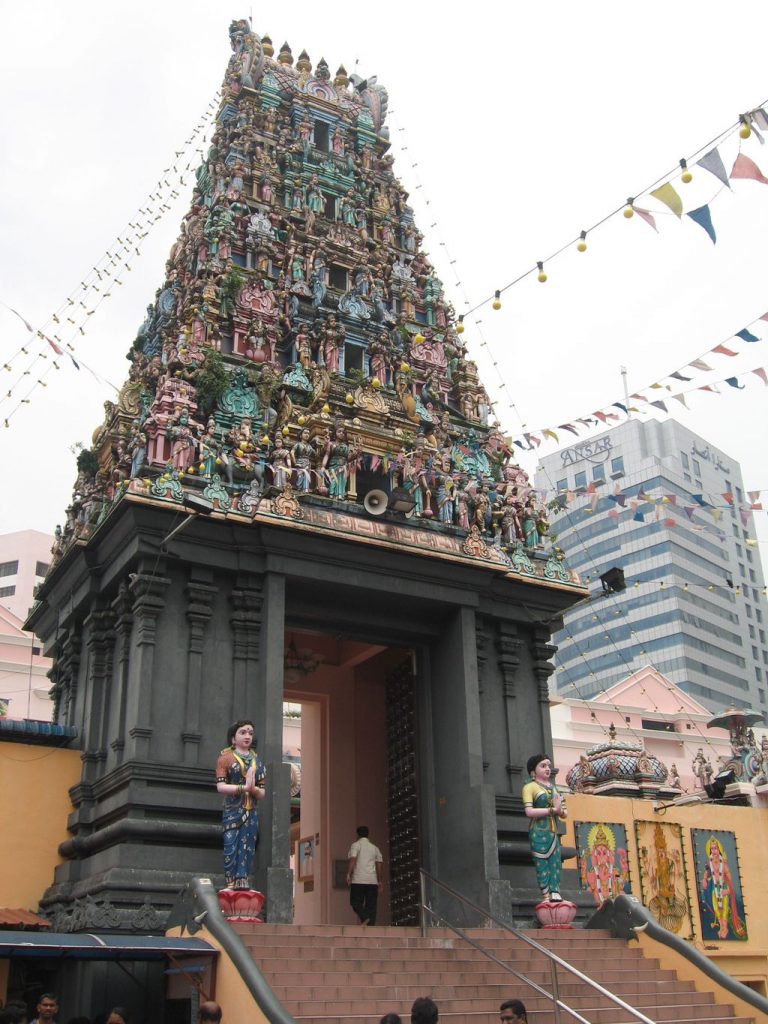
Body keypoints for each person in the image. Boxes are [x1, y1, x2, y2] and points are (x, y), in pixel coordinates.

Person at [216, 720, 266, 889]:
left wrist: (253, 790)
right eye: (243, 732)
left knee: (247, 848)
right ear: (233, 738)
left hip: (251, 812)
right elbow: (221, 786)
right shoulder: (225, 759)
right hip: (232, 811)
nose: (247, 736)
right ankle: (230, 881)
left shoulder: (257, 762)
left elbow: (263, 792)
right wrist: (243, 787)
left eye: (250, 733)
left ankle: (242, 878)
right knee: (231, 847)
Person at [522, 753, 567, 902]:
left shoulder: (554, 788)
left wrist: (559, 810)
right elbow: (529, 812)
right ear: (533, 771)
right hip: (538, 832)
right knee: (542, 863)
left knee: (555, 862)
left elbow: (564, 813)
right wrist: (552, 810)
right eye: (543, 766)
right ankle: (546, 895)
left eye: (548, 765)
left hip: (553, 831)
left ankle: (555, 891)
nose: (548, 769)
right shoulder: (529, 787)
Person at [346, 825, 383, 925]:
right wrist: (379, 880)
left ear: (358, 835)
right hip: (372, 881)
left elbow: (353, 859)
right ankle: (370, 926)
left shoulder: (356, 845)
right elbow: (379, 864)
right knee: (371, 905)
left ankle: (365, 917)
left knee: (355, 902)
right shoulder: (375, 848)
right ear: (368, 834)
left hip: (358, 879)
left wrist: (349, 874)